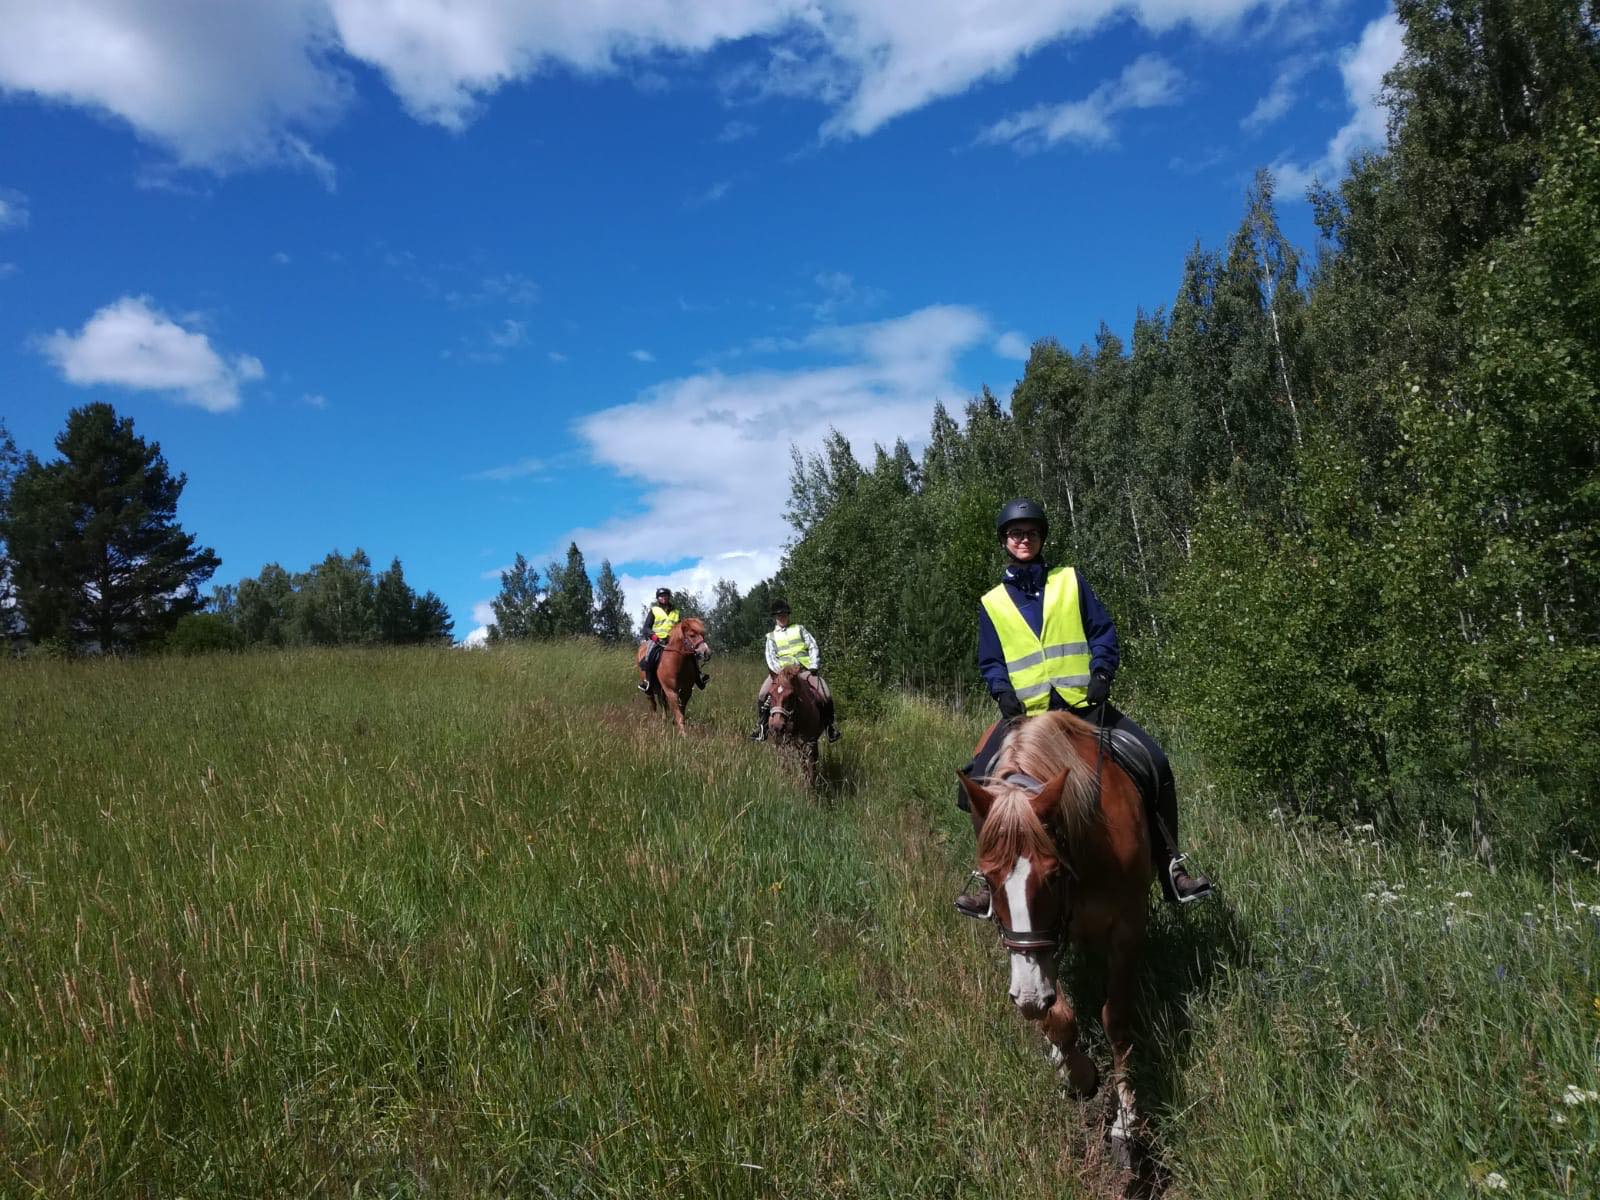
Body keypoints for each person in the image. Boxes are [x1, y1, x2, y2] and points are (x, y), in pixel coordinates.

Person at [953, 498, 1213, 917]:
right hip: (1027, 718)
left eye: (1031, 533)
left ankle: (1170, 867)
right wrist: (1001, 692)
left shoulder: (1070, 581)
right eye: (1016, 534)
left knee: (1156, 761)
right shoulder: (992, 602)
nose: (1024, 539)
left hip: (1084, 708)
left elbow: (1102, 631)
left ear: (1042, 538)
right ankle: (987, 878)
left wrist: (1102, 673)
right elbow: (991, 660)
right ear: (1005, 541)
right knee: (975, 786)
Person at [750, 599, 840, 743]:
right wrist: (779, 673)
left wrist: (814, 665)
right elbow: (770, 656)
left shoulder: (799, 629)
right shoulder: (771, 636)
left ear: (788, 615)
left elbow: (812, 646)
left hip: (803, 670)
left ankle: (830, 727)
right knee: (762, 694)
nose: (782, 618)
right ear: (775, 617)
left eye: (784, 615)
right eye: (779, 615)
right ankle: (762, 728)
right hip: (781, 673)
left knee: (825, 694)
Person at [638, 587, 709, 691]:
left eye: (665, 595)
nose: (663, 598)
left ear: (669, 597)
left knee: (691, 654)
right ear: (658, 598)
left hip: (673, 640)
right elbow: (646, 628)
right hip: (657, 639)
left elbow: (681, 627)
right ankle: (648, 682)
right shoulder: (654, 610)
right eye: (661, 596)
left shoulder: (676, 611)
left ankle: (699, 677)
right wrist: (654, 636)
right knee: (649, 657)